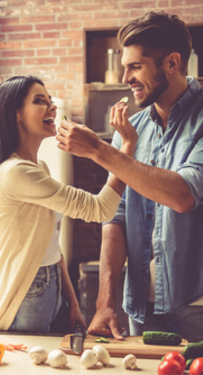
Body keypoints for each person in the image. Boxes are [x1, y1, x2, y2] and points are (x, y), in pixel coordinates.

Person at [57, 11, 203, 341]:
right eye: (124, 66)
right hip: (142, 305)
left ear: (172, 63)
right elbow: (116, 215)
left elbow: (183, 194)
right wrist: (106, 299)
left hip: (197, 305)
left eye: (135, 66)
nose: (126, 77)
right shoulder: (134, 129)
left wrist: (99, 149)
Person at [0, 75, 137, 333]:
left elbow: (50, 243)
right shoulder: (16, 172)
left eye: (50, 100)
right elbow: (101, 209)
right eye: (40, 101)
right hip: (27, 289)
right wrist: (126, 147)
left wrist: (71, 302)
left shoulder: (38, 168)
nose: (52, 107)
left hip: (48, 283)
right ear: (15, 113)